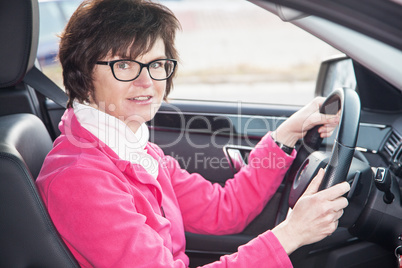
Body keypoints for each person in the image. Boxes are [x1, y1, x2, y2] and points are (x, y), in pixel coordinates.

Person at [35, 0, 350, 267]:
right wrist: (291, 234)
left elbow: (223, 211)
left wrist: (286, 134)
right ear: (82, 73)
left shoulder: (134, 149)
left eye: (157, 64)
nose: (147, 82)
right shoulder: (80, 178)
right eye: (125, 65)